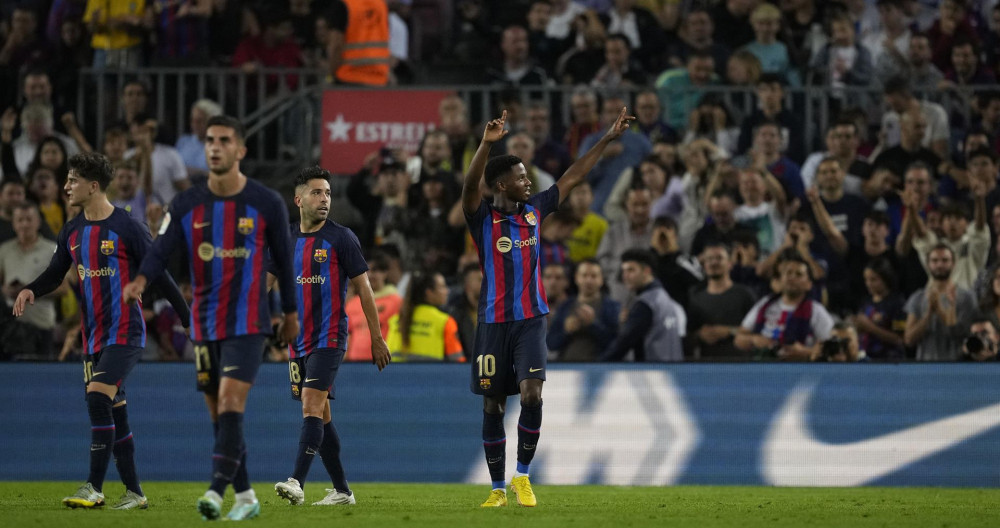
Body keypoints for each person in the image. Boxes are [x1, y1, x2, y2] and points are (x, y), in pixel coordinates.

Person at [121, 115, 299, 521]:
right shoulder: (186, 203)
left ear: (240, 150)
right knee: (219, 416)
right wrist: (141, 279)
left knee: (231, 402)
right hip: (203, 322)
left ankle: (216, 492)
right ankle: (247, 496)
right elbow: (160, 248)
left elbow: (285, 264)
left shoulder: (266, 202)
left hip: (248, 322)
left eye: (223, 140)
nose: (215, 147)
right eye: (209, 141)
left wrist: (289, 313)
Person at [462, 107, 633, 507]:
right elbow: (471, 187)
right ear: (501, 185)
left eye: (528, 176)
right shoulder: (483, 219)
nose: (529, 181)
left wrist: (606, 138)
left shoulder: (536, 211)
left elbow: (573, 176)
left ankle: (522, 476)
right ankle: (497, 489)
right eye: (521, 177)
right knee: (492, 402)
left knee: (532, 394)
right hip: (491, 323)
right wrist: (486, 146)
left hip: (531, 321)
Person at [13, 152, 188, 509]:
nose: (66, 186)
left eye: (73, 180)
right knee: (115, 410)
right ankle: (135, 493)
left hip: (126, 332)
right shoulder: (73, 229)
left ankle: (93, 486)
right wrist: (32, 288)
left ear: (93, 186)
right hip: (94, 336)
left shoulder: (127, 227)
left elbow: (161, 274)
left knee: (97, 397)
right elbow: (55, 271)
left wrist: (187, 318)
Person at [273, 166, 390, 507]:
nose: (324, 199)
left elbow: (364, 289)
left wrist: (377, 337)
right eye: (316, 193)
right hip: (299, 341)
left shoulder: (342, 237)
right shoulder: (284, 240)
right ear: (298, 199)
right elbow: (264, 282)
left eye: (327, 193)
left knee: (311, 403)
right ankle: (342, 491)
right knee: (320, 414)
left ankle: (296, 481)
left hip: (329, 336)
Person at [735, 253, 835, 361]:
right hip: (764, 371)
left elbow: (831, 349)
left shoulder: (816, 311)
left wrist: (806, 353)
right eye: (788, 273)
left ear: (808, 284)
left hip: (801, 373)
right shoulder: (764, 304)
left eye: (798, 274)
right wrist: (754, 340)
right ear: (781, 279)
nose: (792, 277)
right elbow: (738, 339)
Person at [601, 248, 686, 362]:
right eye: (624, 271)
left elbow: (624, 343)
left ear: (646, 271)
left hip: (653, 373)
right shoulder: (665, 298)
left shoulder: (646, 303)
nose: (625, 276)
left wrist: (598, 366)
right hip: (672, 372)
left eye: (631, 270)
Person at [903, 244, 977, 361]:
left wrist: (941, 312)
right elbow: (909, 340)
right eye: (935, 260)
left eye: (945, 260)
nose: (939, 265)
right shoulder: (917, 298)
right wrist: (928, 315)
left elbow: (964, 336)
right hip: (925, 366)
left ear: (953, 263)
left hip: (958, 366)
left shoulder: (966, 298)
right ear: (928, 264)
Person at [687, 241, 758, 361]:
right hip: (707, 367)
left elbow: (757, 330)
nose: (714, 262)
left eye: (719, 258)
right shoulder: (695, 297)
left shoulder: (745, 294)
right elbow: (689, 333)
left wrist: (728, 331)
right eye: (709, 259)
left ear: (730, 263)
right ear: (704, 264)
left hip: (740, 366)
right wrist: (699, 334)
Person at [546, 259, 620, 361]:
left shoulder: (612, 307)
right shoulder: (565, 306)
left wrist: (593, 325)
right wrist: (566, 331)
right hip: (566, 368)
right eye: (584, 275)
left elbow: (617, 345)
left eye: (593, 276)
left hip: (600, 368)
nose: (588, 280)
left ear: (601, 279)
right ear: (576, 278)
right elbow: (551, 344)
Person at [385, 270, 463, 362]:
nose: (447, 291)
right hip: (430, 375)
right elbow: (458, 362)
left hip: (395, 376)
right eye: (442, 287)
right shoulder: (444, 321)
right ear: (429, 292)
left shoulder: (395, 321)